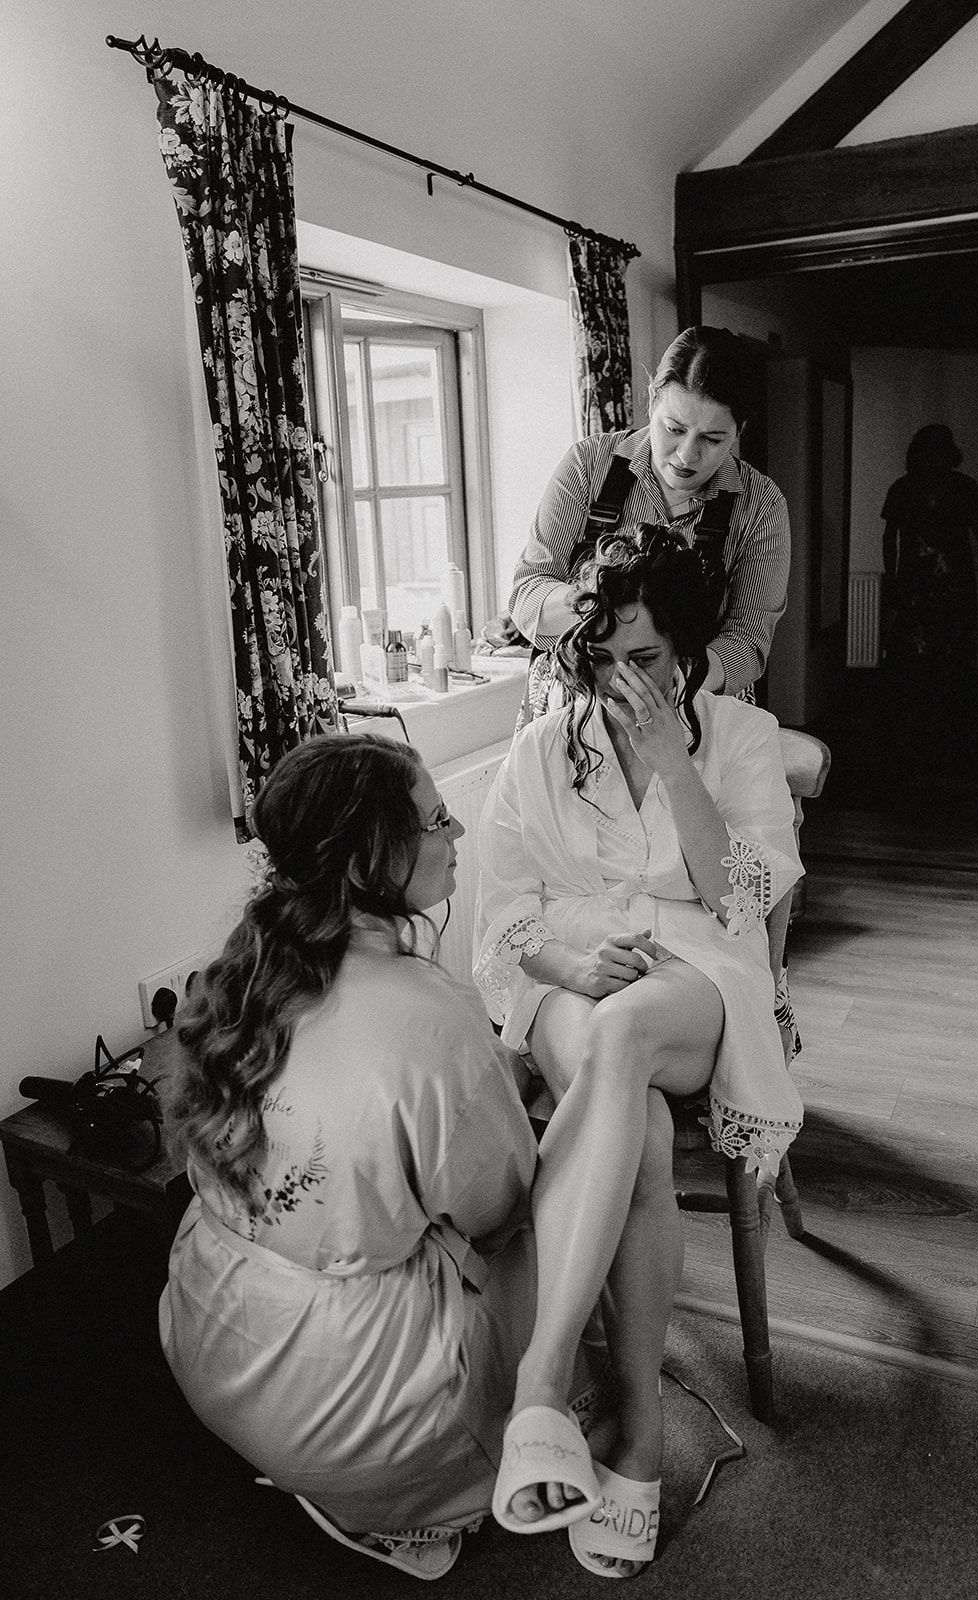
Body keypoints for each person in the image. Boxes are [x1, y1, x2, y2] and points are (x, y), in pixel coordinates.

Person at [158, 732, 610, 1581]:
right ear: (375, 853)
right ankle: (426, 1492)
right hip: (356, 1404)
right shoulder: (430, 1011)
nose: (458, 836)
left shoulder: (239, 970)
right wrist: (541, 1106)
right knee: (581, 1185)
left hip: (208, 1335)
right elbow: (498, 1207)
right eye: (439, 821)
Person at [474, 528, 804, 1577]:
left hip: (701, 972)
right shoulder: (537, 751)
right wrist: (566, 968)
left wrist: (675, 765)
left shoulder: (742, 736)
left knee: (625, 1035)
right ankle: (639, 1436)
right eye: (603, 655)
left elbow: (741, 902)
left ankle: (538, 1381)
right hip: (576, 976)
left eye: (649, 658)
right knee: (643, 1139)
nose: (624, 680)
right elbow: (500, 923)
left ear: (692, 650)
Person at [509, 324, 790, 718]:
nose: (687, 456)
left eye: (713, 438)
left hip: (693, 705)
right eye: (674, 429)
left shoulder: (759, 505)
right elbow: (527, 599)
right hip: (575, 706)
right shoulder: (588, 466)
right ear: (652, 402)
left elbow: (748, 643)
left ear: (739, 431)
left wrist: (667, 684)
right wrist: (599, 599)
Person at [881, 423, 978, 783]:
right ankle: (916, 729)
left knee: (953, 651)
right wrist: (894, 581)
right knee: (913, 656)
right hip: (916, 583)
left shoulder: (963, 487)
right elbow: (890, 538)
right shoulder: (903, 488)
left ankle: (949, 729)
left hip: (952, 583)